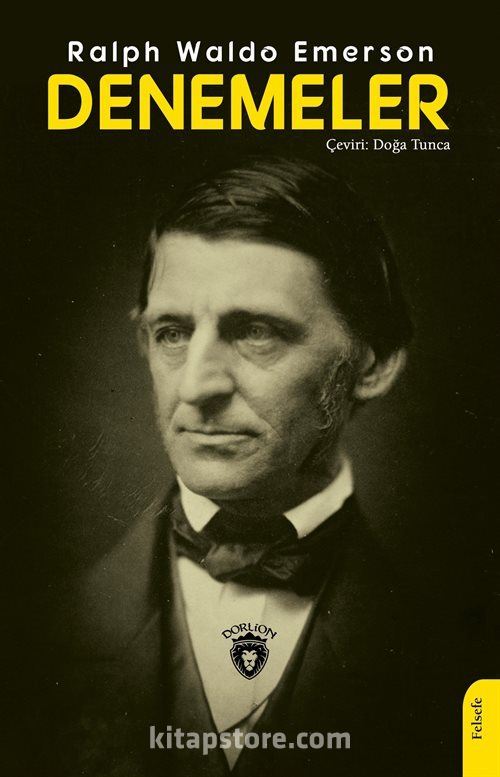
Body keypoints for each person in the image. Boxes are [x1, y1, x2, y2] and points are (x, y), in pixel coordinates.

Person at [35, 157, 448, 777]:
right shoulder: (32, 639)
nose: (196, 386)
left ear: (373, 364)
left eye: (256, 331)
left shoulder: (463, 663)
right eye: (172, 332)